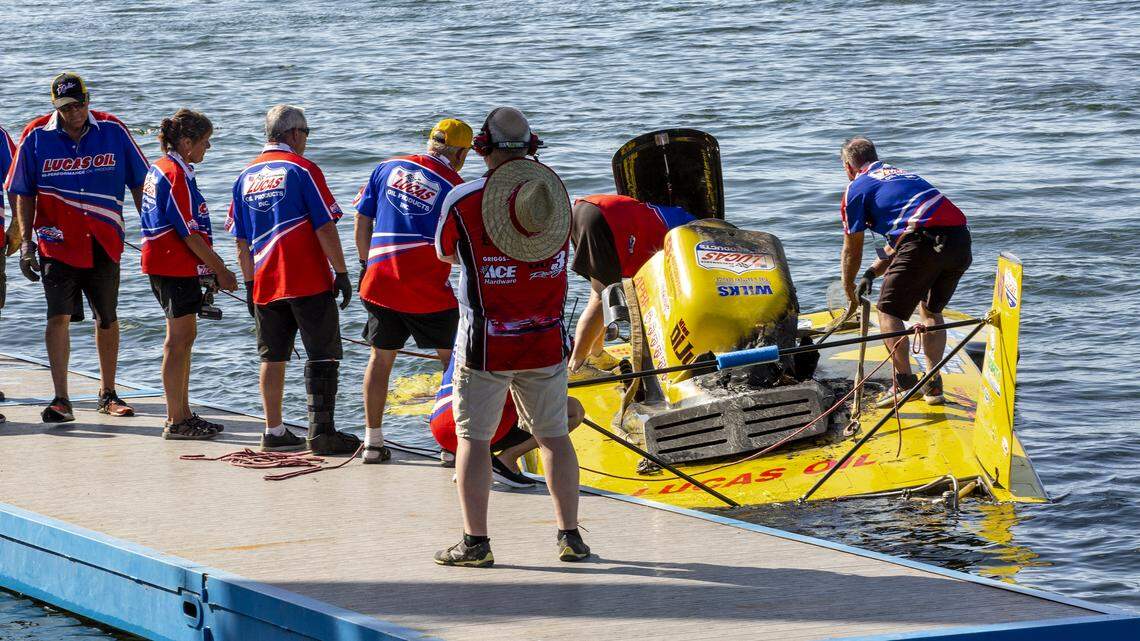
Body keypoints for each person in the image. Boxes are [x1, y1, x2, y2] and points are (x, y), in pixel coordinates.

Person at [433, 106, 588, 567]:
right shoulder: (552, 193)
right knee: (555, 436)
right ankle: (571, 537)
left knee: (474, 440)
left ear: (482, 148)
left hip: (486, 341)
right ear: (532, 146)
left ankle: (476, 543)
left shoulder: (462, 200)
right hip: (545, 338)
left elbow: (445, 254)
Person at [5, 73, 149, 423]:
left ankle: (109, 392)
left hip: (104, 240)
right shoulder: (36, 136)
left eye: (79, 104)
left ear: (88, 100)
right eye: (66, 107)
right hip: (56, 242)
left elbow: (142, 182)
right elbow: (22, 190)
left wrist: (152, 234)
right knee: (58, 317)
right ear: (56, 107)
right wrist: (26, 244)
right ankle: (61, 398)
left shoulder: (113, 131)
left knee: (107, 316)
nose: (74, 113)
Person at [227, 104, 358, 455]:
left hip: (265, 282)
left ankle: (273, 430)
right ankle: (322, 432)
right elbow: (325, 225)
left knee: (272, 357)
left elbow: (241, 241)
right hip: (306, 278)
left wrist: (250, 283)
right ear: (295, 134)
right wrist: (342, 272)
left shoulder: (245, 176)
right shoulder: (302, 170)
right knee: (322, 354)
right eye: (307, 135)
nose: (306, 141)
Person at [353, 118, 470, 463]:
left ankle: (373, 442)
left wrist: (365, 264)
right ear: (461, 153)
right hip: (426, 290)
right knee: (454, 363)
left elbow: (362, 218)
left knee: (380, 358)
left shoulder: (387, 167)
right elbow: (457, 246)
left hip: (380, 283)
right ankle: (451, 446)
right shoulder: (455, 186)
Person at [838, 137, 971, 407]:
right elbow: (901, 243)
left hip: (922, 244)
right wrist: (871, 274)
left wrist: (848, 287)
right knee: (930, 311)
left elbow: (852, 247)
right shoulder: (904, 176)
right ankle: (933, 387)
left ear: (849, 167)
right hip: (959, 242)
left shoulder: (857, 187)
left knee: (887, 312)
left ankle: (904, 384)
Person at [140, 109, 238, 439]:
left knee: (185, 339)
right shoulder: (174, 174)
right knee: (178, 342)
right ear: (186, 143)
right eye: (205, 143)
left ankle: (182, 412)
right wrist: (220, 269)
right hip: (172, 266)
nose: (207, 149)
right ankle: (176, 419)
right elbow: (189, 233)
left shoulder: (164, 167)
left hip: (171, 264)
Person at [569, 193, 695, 372]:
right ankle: (577, 367)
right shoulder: (688, 230)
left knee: (604, 294)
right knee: (602, 297)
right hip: (605, 218)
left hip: (584, 210)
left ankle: (596, 354)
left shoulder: (673, 215)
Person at [430, 358, 585, 488]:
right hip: (478, 431)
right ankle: (507, 459)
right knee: (573, 411)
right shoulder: (521, 344)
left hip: (440, 427)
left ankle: (456, 456)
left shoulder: (467, 333)